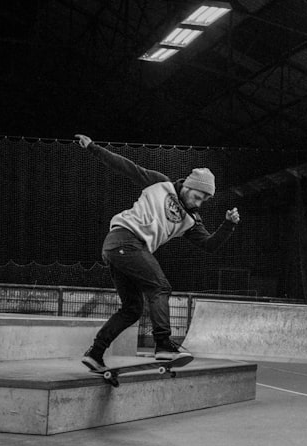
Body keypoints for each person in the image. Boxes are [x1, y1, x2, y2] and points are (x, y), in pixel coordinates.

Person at [74, 134, 241, 371]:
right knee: (160, 287)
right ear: (189, 185)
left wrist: (228, 225)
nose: (199, 203)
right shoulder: (160, 184)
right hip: (124, 238)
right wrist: (93, 148)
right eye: (198, 196)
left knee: (132, 309)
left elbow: (210, 245)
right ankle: (163, 345)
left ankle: (95, 353)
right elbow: (127, 167)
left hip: (126, 250)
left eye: (204, 200)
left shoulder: (192, 220)